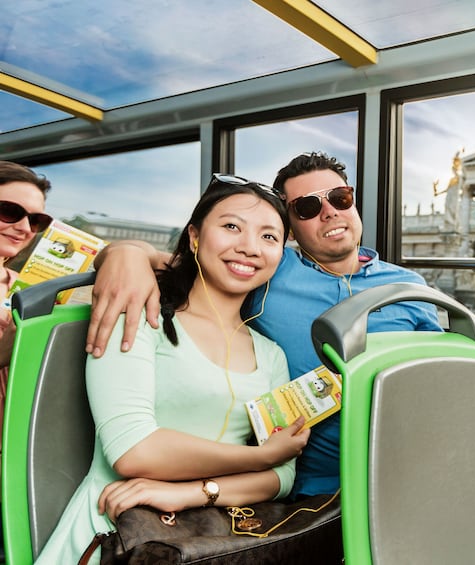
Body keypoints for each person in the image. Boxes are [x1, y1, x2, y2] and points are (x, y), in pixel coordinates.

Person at [86, 152, 441, 499]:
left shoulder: (408, 287)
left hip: (397, 481)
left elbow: (442, 378)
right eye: (307, 207)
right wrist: (124, 254)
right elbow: (192, 263)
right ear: (291, 230)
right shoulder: (267, 266)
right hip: (303, 494)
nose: (330, 211)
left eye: (340, 198)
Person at [37, 175, 311, 564]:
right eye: (232, 226)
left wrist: (190, 493)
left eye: (269, 237)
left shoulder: (271, 355)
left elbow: (281, 479)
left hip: (212, 541)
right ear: (195, 237)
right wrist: (260, 457)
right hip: (117, 534)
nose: (249, 247)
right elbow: (134, 450)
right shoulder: (138, 312)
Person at [0, 161, 53, 440]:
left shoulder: (32, 289)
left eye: (36, 221)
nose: (24, 228)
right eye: (9, 211)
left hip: (19, 446)